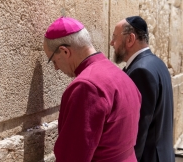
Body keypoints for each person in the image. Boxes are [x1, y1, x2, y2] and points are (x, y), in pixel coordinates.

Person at [43, 16, 141, 162]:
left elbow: (73, 156)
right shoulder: (121, 75)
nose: (56, 68)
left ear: (64, 51)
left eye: (53, 60)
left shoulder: (86, 87)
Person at [110, 16, 175, 162]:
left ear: (130, 39)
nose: (111, 43)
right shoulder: (157, 63)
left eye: (115, 37)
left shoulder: (140, 71)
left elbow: (137, 130)